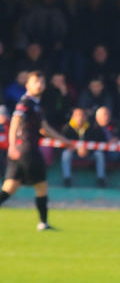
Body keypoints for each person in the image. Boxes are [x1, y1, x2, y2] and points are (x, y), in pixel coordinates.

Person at [0, 72, 73, 230]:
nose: (39, 85)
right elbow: (15, 121)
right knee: (41, 186)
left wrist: (64, 141)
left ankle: (43, 223)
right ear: (28, 85)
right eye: (36, 82)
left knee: (9, 188)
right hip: (27, 149)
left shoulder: (36, 104)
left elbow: (44, 129)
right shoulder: (26, 102)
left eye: (41, 82)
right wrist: (12, 144)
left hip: (21, 150)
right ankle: (43, 223)